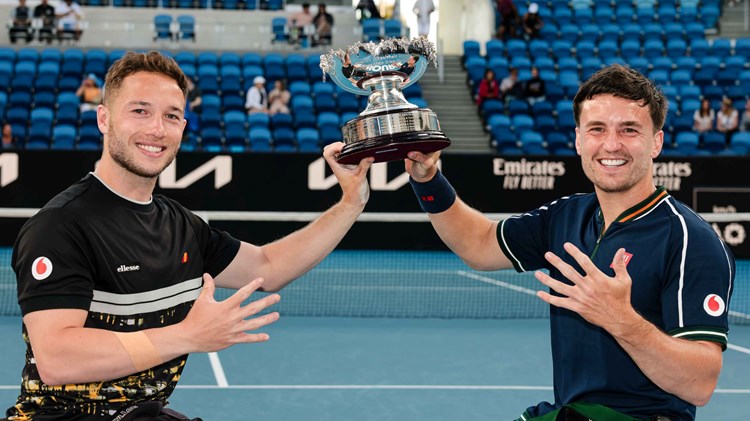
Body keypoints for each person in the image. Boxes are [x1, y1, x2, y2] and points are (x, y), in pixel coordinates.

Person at [4, 50, 375, 421]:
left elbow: (269, 266)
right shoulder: (59, 225)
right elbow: (57, 358)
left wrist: (350, 203)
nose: (157, 129)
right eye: (140, 111)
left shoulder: (181, 225)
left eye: (171, 116)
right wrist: (188, 335)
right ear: (104, 119)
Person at [404, 64, 734, 421]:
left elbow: (699, 384)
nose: (611, 144)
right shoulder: (566, 216)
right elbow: (479, 245)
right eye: (597, 129)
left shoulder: (690, 240)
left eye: (629, 130)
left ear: (657, 142)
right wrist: (428, 180)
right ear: (578, 139)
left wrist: (622, 320)